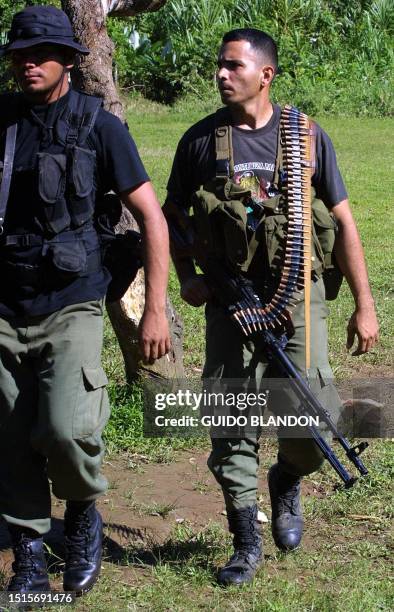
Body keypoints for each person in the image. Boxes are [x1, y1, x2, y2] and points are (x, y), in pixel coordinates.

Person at [164, 28, 379, 586]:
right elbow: (171, 216)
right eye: (219, 65)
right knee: (231, 420)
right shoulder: (199, 142)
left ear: (267, 74)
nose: (221, 74)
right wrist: (188, 278)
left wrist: (365, 302)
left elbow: (344, 219)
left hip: (296, 295)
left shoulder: (306, 137)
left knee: (312, 413)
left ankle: (287, 477)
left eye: (234, 65)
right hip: (231, 300)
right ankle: (244, 539)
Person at [0, 5, 170, 596]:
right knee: (11, 434)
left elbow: (152, 217)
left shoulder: (100, 126)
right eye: (20, 54)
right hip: (4, 303)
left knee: (68, 429)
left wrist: (154, 308)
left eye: (41, 53)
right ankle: (28, 552)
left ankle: (79, 516)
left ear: (70, 59)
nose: (29, 63)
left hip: (71, 300)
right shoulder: (3, 122)